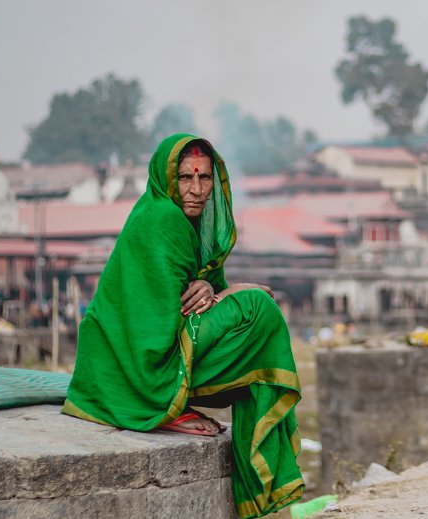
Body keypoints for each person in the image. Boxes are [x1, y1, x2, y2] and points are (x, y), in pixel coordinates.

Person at [62, 134, 303, 517]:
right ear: (166, 178)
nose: (196, 190)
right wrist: (230, 293)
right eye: (185, 178)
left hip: (146, 354)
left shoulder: (184, 221)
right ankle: (257, 493)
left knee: (258, 349)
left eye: (204, 178)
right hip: (141, 366)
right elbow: (157, 321)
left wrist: (211, 288)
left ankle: (263, 497)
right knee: (258, 307)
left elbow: (199, 298)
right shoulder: (163, 218)